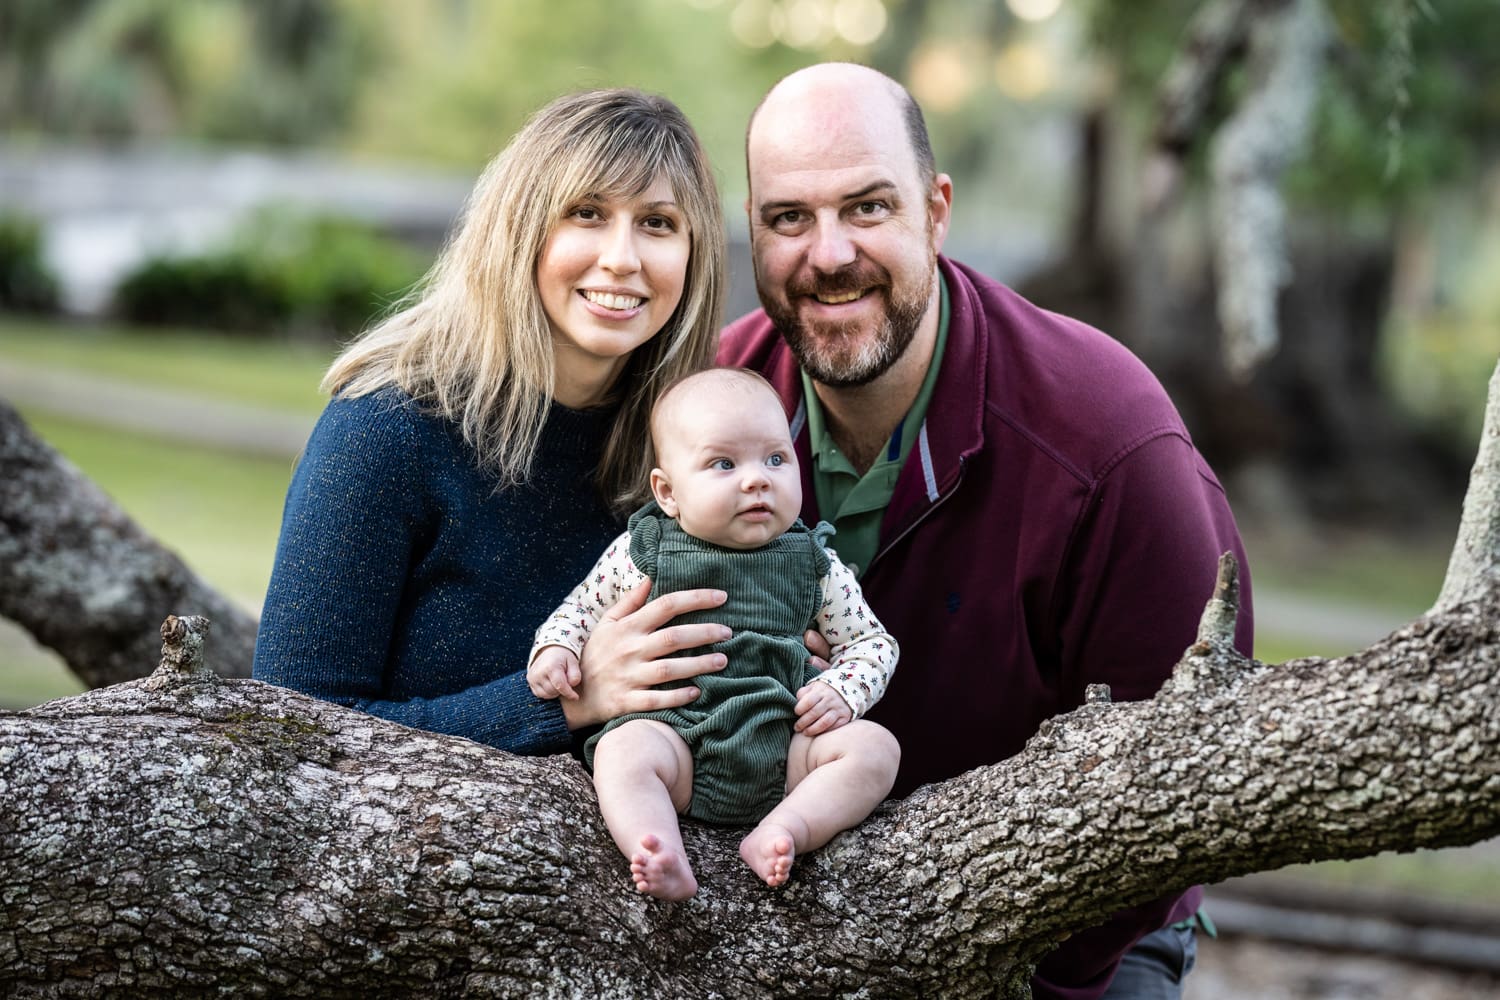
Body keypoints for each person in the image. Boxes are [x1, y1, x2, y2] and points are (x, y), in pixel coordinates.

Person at [713, 63, 1255, 1000]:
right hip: (778, 900)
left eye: (868, 207)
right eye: (789, 217)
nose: (830, 253)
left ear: (936, 209)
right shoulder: (717, 404)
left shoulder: (1103, 438)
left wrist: (994, 966)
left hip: (1067, 942)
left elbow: (1191, 775)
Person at [253, 89, 735, 756]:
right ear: (520, 227)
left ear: (694, 253)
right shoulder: (386, 430)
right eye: (587, 213)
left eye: (657, 223)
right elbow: (293, 731)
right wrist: (564, 700)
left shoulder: (689, 446)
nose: (623, 257)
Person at [528, 367, 900, 900]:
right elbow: (579, 610)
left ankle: (786, 828)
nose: (757, 479)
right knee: (622, 752)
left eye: (776, 458)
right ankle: (658, 848)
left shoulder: (817, 565)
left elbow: (871, 644)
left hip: (785, 745)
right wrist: (558, 648)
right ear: (668, 492)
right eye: (723, 464)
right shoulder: (643, 553)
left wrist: (843, 688)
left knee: (875, 749)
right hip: (674, 736)